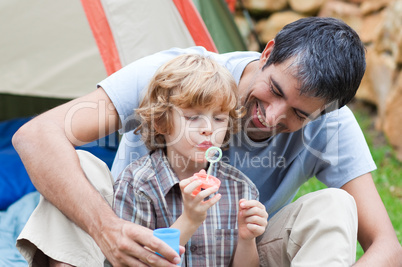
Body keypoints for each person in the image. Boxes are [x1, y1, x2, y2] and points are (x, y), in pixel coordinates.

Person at [13, 17, 402, 266]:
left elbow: (387, 247)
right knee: (78, 168)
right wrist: (107, 230)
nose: (273, 116)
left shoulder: (331, 125)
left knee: (335, 205)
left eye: (300, 114)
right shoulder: (179, 76)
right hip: (129, 242)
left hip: (229, 252)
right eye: (275, 90)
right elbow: (36, 135)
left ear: (325, 112)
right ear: (268, 53)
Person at [113, 54, 268, 266]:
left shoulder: (241, 189)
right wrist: (189, 220)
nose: (208, 128)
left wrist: (246, 238)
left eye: (219, 118)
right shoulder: (137, 185)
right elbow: (133, 262)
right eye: (193, 117)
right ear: (161, 122)